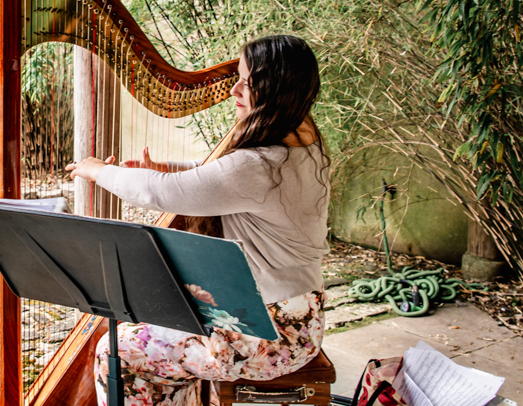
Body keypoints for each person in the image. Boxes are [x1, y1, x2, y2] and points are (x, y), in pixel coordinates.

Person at [65, 34, 330, 406]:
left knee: (119, 350)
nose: (235, 90)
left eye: (248, 83)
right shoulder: (303, 142)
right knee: (168, 319)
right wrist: (167, 167)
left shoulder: (260, 166)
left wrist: (97, 171)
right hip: (301, 316)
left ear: (276, 90)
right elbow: (219, 177)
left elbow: (163, 193)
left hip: (265, 334)